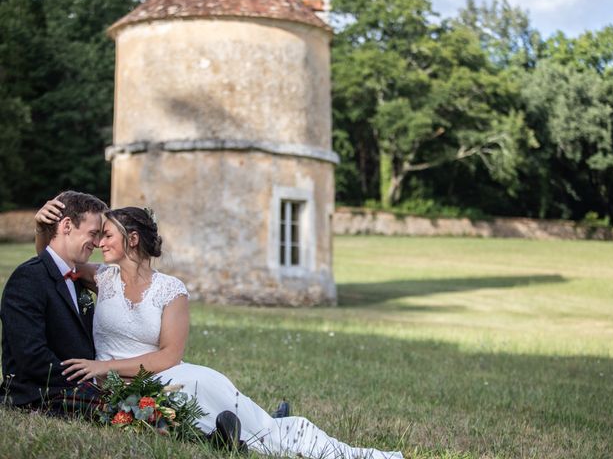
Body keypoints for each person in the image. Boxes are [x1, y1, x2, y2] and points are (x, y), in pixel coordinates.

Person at [34, 200, 403, 459]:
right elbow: (46, 266)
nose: (99, 243)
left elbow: (169, 355)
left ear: (131, 239)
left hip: (163, 375)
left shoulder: (171, 290)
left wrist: (102, 367)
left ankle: (269, 431)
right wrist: (42, 227)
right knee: (166, 415)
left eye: (108, 236)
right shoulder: (101, 278)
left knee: (213, 398)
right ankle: (234, 435)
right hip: (115, 388)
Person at [0, 191, 108, 413]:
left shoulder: (77, 279)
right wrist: (91, 385)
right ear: (66, 225)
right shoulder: (28, 278)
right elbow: (32, 357)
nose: (97, 243)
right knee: (127, 412)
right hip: (39, 394)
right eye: (93, 233)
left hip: (74, 388)